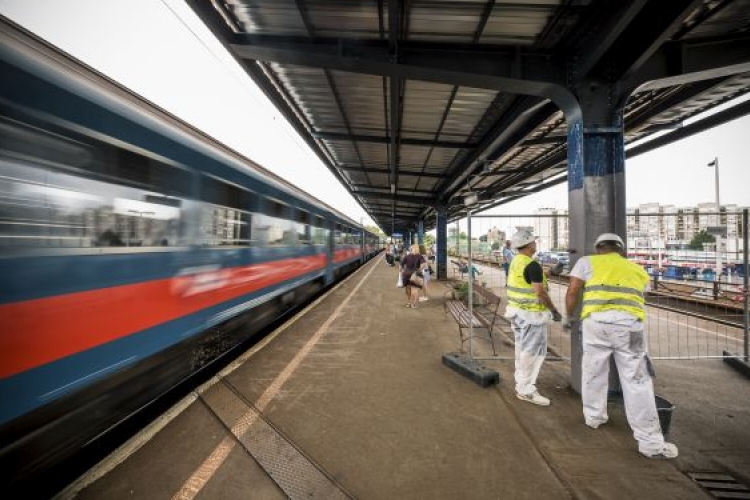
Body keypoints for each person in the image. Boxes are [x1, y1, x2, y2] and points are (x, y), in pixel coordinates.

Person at [565, 233, 678, 459]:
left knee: (593, 371)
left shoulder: (586, 262)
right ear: (621, 250)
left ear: (598, 248)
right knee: (637, 380)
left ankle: (594, 417)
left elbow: (573, 291)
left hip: (594, 324)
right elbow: (642, 294)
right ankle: (651, 444)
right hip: (631, 328)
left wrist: (568, 318)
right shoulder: (637, 269)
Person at [505, 229, 562, 406]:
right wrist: (554, 310)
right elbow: (540, 292)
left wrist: (551, 272)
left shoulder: (517, 261)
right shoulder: (532, 264)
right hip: (531, 316)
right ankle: (526, 390)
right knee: (533, 353)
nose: (535, 244)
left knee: (522, 350)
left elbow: (529, 279)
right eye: (534, 242)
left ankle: (521, 381)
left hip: (517, 312)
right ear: (529, 244)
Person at [400, 243, 426, 308]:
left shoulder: (407, 256)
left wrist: (402, 270)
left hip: (406, 274)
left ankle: (408, 303)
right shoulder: (420, 256)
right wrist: (419, 269)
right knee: (415, 289)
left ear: (411, 249)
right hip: (415, 274)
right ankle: (413, 304)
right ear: (418, 249)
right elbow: (423, 265)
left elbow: (401, 265)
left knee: (408, 288)